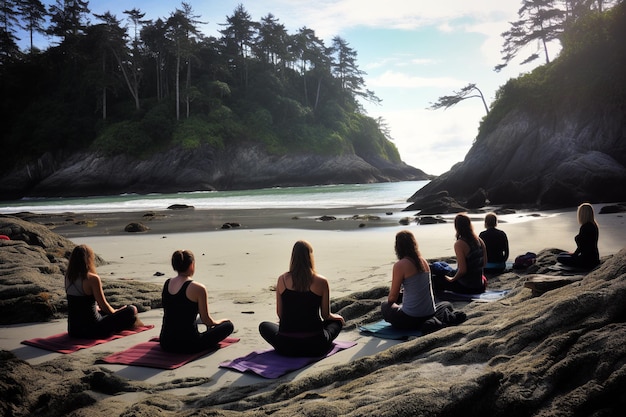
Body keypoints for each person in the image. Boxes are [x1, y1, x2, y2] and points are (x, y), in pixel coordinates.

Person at [259, 240, 345, 357]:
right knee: (336, 323)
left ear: (293, 257)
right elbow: (325, 315)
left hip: (286, 346)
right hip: (315, 345)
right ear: (310, 256)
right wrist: (337, 317)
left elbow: (280, 314)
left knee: (264, 326)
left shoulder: (282, 280)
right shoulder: (321, 281)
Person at [381, 231, 466, 331]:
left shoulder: (400, 265)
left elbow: (392, 298)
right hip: (429, 313)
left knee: (385, 305)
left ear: (398, 247)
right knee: (443, 304)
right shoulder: (423, 261)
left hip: (411, 318)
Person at [160, 249, 234, 353]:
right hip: (189, 344)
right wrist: (221, 321)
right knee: (228, 326)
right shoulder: (198, 288)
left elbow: (175, 310)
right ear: (192, 265)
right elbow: (207, 320)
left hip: (166, 343)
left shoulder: (167, 283)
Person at [65, 244, 139, 338]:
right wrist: (117, 312)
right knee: (131, 309)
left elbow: (77, 304)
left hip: (74, 331)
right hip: (93, 330)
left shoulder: (68, 277)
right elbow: (104, 306)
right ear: (88, 259)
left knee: (99, 311)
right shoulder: (92, 278)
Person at [432, 213, 487, 294]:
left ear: (457, 227)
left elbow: (463, 270)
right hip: (479, 285)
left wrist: (452, 279)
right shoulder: (479, 240)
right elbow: (484, 263)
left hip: (466, 286)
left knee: (435, 273)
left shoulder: (460, 244)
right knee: (442, 264)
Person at [557, 203, 600, 270]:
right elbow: (584, 245)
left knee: (559, 257)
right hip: (593, 257)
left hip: (586, 260)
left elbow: (583, 246)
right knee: (562, 254)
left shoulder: (585, 227)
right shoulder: (594, 225)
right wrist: (574, 253)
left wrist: (574, 255)